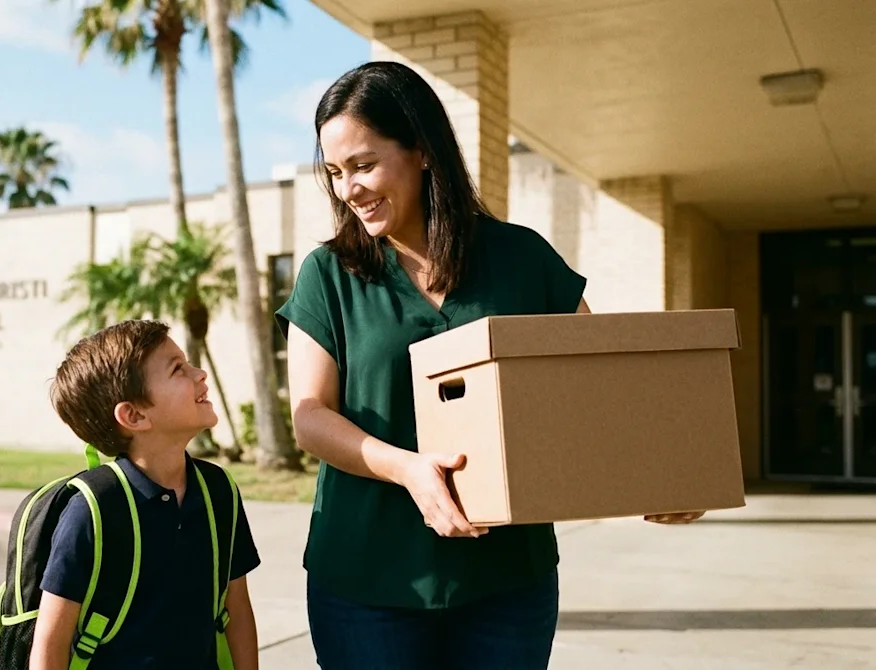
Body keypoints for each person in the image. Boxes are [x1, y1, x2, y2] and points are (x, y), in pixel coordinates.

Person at [274, 60, 704, 670]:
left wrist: (662, 472)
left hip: (507, 584)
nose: (349, 190)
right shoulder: (329, 273)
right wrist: (408, 471)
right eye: (336, 172)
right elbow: (311, 416)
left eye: (364, 165)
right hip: (368, 583)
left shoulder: (523, 258)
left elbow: (601, 386)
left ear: (422, 150)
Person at [31, 319, 261, 670]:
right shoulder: (94, 510)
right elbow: (51, 641)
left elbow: (237, 609)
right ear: (134, 415)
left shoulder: (218, 491)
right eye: (178, 369)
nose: (200, 374)